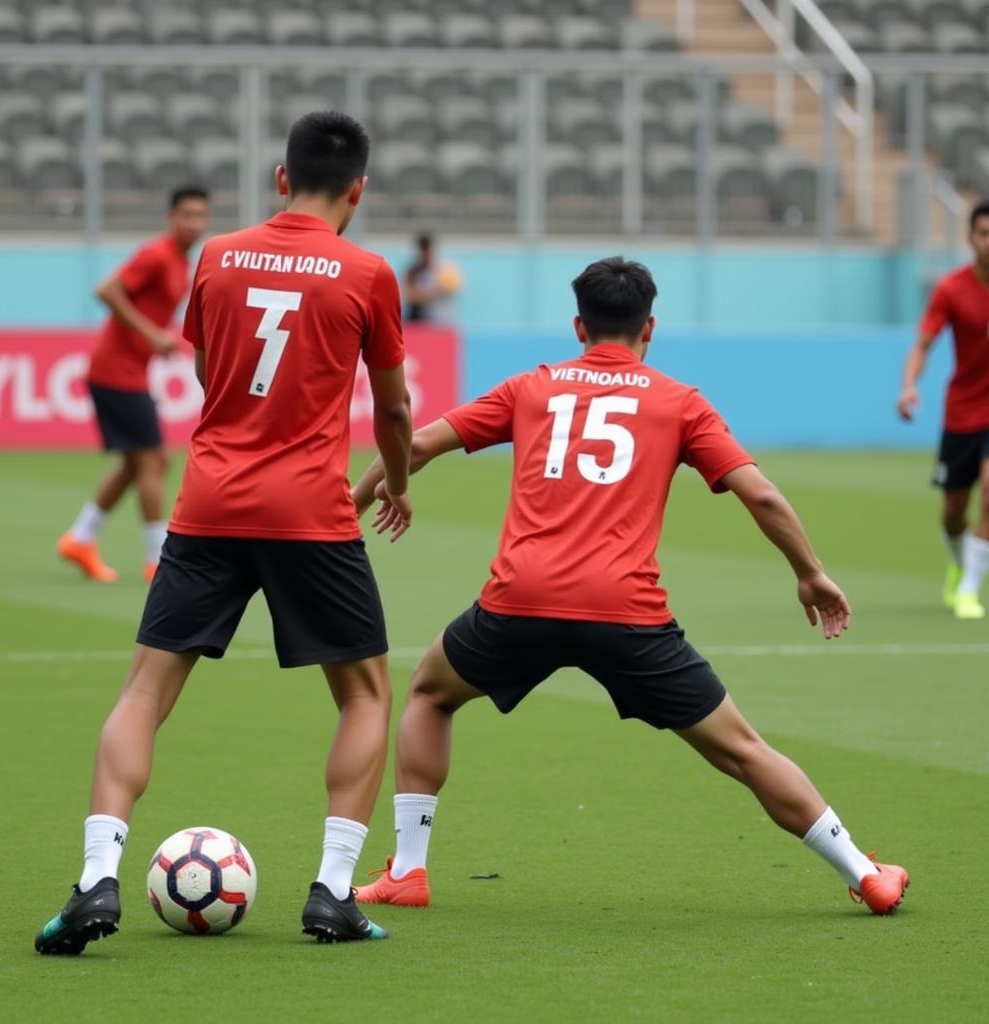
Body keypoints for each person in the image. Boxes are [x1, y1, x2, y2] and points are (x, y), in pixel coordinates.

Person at [351, 257, 908, 919]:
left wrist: (352, 509)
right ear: (651, 327)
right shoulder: (680, 401)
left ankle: (409, 871)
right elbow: (758, 493)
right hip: (628, 615)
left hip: (518, 603)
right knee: (742, 750)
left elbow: (411, 446)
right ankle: (866, 873)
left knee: (430, 692)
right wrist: (810, 572)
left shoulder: (532, 388)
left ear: (579, 324)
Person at [35, 111, 413, 955]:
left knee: (145, 692)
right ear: (359, 190)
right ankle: (332, 893)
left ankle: (97, 876)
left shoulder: (219, 256)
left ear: (280, 180)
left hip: (209, 503)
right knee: (364, 693)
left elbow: (214, 375)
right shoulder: (368, 272)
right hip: (310, 511)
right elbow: (391, 406)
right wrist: (399, 477)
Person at [57, 186, 211, 585]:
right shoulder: (158, 254)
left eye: (200, 216)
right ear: (171, 217)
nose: (195, 224)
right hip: (114, 371)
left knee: (137, 461)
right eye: (187, 215)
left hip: (127, 371)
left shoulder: (180, 262)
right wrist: (152, 333)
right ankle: (157, 559)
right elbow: (107, 290)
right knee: (154, 458)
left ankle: (80, 538)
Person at [897, 200, 989, 620]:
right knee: (954, 512)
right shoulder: (952, 289)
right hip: (963, 413)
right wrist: (910, 386)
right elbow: (924, 342)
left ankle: (970, 589)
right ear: (971, 238)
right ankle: (958, 564)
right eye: (984, 233)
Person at [403, 233, 462, 324]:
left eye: (426, 250)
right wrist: (433, 293)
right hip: (421, 321)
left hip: (442, 321)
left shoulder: (446, 269)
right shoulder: (413, 271)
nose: (424, 254)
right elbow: (410, 296)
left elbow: (452, 288)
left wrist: (424, 295)